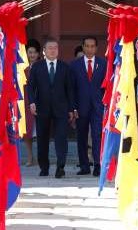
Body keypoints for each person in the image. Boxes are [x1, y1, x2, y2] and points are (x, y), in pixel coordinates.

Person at [27, 38, 74, 178]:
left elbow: (69, 89)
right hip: (42, 108)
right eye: (50, 48)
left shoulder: (65, 67)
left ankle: (60, 166)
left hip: (61, 108)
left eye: (55, 48)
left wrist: (72, 108)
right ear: (44, 51)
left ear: (58, 51)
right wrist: (32, 102)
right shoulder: (37, 67)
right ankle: (44, 167)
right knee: (42, 139)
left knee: (61, 138)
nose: (53, 50)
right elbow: (31, 86)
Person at [70, 36, 106, 176]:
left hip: (98, 106)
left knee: (97, 136)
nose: (90, 49)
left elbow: (107, 87)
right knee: (81, 137)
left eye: (92, 46)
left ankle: (98, 164)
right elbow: (71, 88)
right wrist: (73, 108)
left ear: (96, 48)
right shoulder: (74, 65)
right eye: (87, 46)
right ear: (83, 47)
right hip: (80, 107)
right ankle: (84, 165)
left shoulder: (104, 64)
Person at [23, 39, 42, 167]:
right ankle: (30, 157)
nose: (32, 55)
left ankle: (41, 157)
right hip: (26, 102)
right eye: (30, 52)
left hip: (41, 102)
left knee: (41, 131)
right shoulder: (22, 68)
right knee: (27, 132)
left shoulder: (43, 66)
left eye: (35, 52)